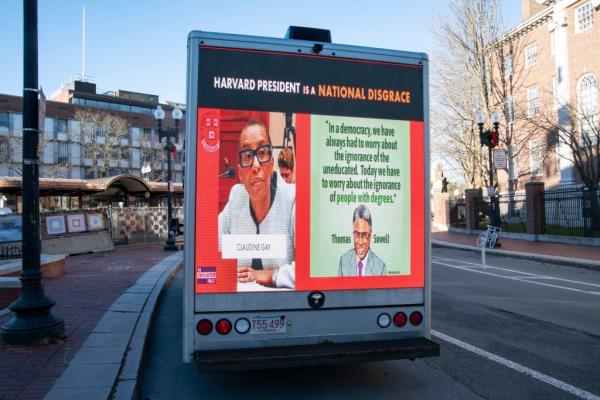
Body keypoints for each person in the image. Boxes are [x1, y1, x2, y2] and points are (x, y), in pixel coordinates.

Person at [218, 119, 295, 289]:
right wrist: (225, 271)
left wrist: (272, 275)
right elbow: (208, 251)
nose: (255, 165)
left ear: (271, 162)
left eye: (262, 153)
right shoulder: (236, 199)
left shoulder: (292, 201)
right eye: (247, 156)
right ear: (240, 172)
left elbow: (310, 270)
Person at [338, 205, 386, 277]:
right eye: (356, 234)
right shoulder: (344, 261)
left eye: (364, 235)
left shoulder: (380, 268)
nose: (360, 242)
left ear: (370, 236)